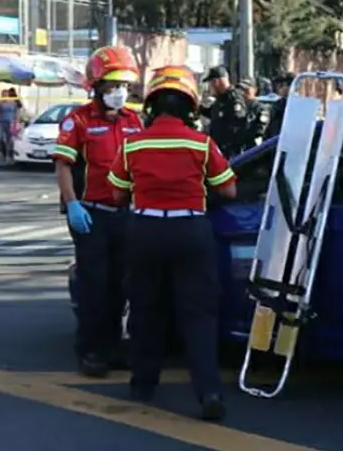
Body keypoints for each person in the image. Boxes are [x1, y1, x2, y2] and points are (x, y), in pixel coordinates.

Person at [107, 65, 236, 420]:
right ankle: (208, 390)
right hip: (191, 232)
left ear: (150, 107)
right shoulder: (201, 143)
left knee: (146, 310)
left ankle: (143, 385)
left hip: (145, 231)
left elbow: (118, 192)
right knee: (199, 315)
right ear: (191, 109)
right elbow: (229, 188)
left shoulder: (133, 144)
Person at [53, 45, 144, 377]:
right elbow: (63, 166)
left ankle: (114, 346)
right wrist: (72, 202)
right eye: (111, 87)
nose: (119, 93)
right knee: (95, 285)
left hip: (125, 214)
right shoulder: (77, 120)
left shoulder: (134, 121)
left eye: (123, 87)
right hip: (91, 215)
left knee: (121, 284)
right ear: (96, 87)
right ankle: (91, 350)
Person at [203, 66, 249, 157]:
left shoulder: (233, 98)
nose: (211, 86)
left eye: (212, 82)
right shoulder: (220, 99)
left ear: (218, 81)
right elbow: (214, 116)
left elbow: (238, 125)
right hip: (217, 148)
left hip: (229, 151)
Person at [236, 77, 269, 151]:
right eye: (240, 90)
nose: (243, 93)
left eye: (246, 90)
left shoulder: (261, 109)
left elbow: (260, 131)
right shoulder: (237, 107)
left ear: (255, 90)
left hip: (252, 151)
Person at [265, 72, 293, 137]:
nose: (280, 88)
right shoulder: (276, 105)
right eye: (279, 86)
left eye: (282, 85)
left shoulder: (300, 106)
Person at [0, 88, 21, 160]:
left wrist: (16, 121)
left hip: (10, 123)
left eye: (6, 94)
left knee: (9, 140)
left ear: (8, 95)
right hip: (1, 122)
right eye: (3, 95)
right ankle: (2, 152)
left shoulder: (13, 103)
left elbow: (16, 112)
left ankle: (8, 155)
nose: (4, 96)